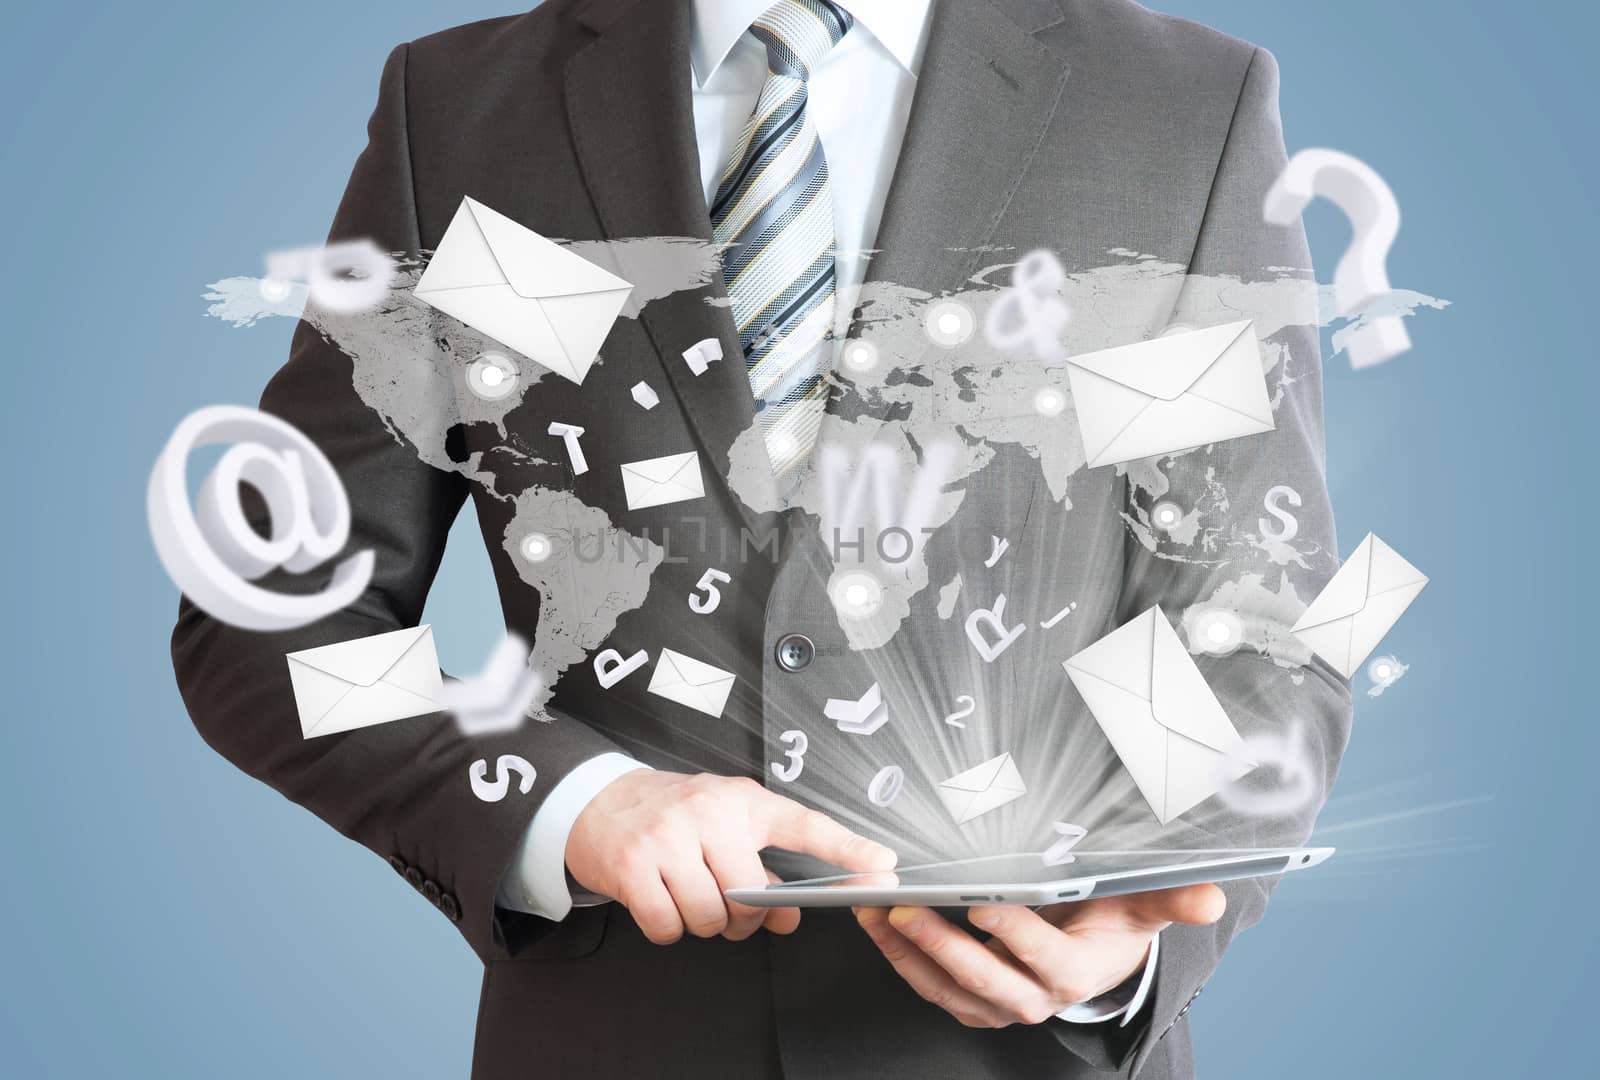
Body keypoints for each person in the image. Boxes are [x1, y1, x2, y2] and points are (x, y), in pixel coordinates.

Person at [172, 1, 1351, 1076]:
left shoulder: (1178, 106)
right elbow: (265, 611)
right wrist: (568, 802)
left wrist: (1128, 924)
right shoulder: (471, 109)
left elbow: (1247, 623)